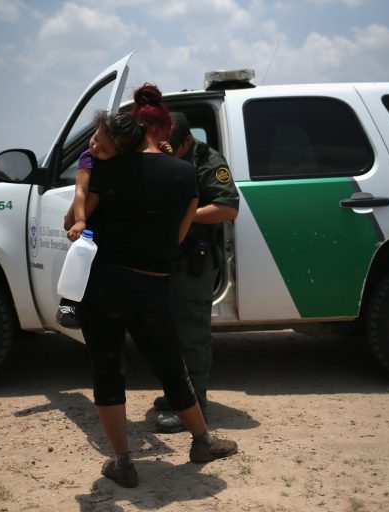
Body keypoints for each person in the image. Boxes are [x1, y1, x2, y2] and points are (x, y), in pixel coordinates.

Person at [76, 84, 238, 488]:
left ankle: (123, 462)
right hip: (151, 286)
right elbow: (178, 236)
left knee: (108, 371)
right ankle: (202, 442)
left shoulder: (105, 171)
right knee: (171, 366)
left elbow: (74, 224)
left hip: (101, 286)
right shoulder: (185, 172)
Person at [153, 112, 240, 433]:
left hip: (193, 261)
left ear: (187, 141)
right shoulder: (161, 153)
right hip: (165, 259)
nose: (163, 152)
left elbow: (229, 208)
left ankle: (195, 407)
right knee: (168, 334)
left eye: (170, 148)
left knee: (191, 334)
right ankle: (178, 396)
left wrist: (184, 219)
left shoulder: (206, 159)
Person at [55, 112, 136, 328]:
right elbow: (80, 190)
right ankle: (66, 307)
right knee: (77, 265)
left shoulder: (123, 164)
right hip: (89, 224)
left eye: (104, 149)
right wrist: (80, 221)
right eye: (95, 138)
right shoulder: (88, 158)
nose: (95, 147)